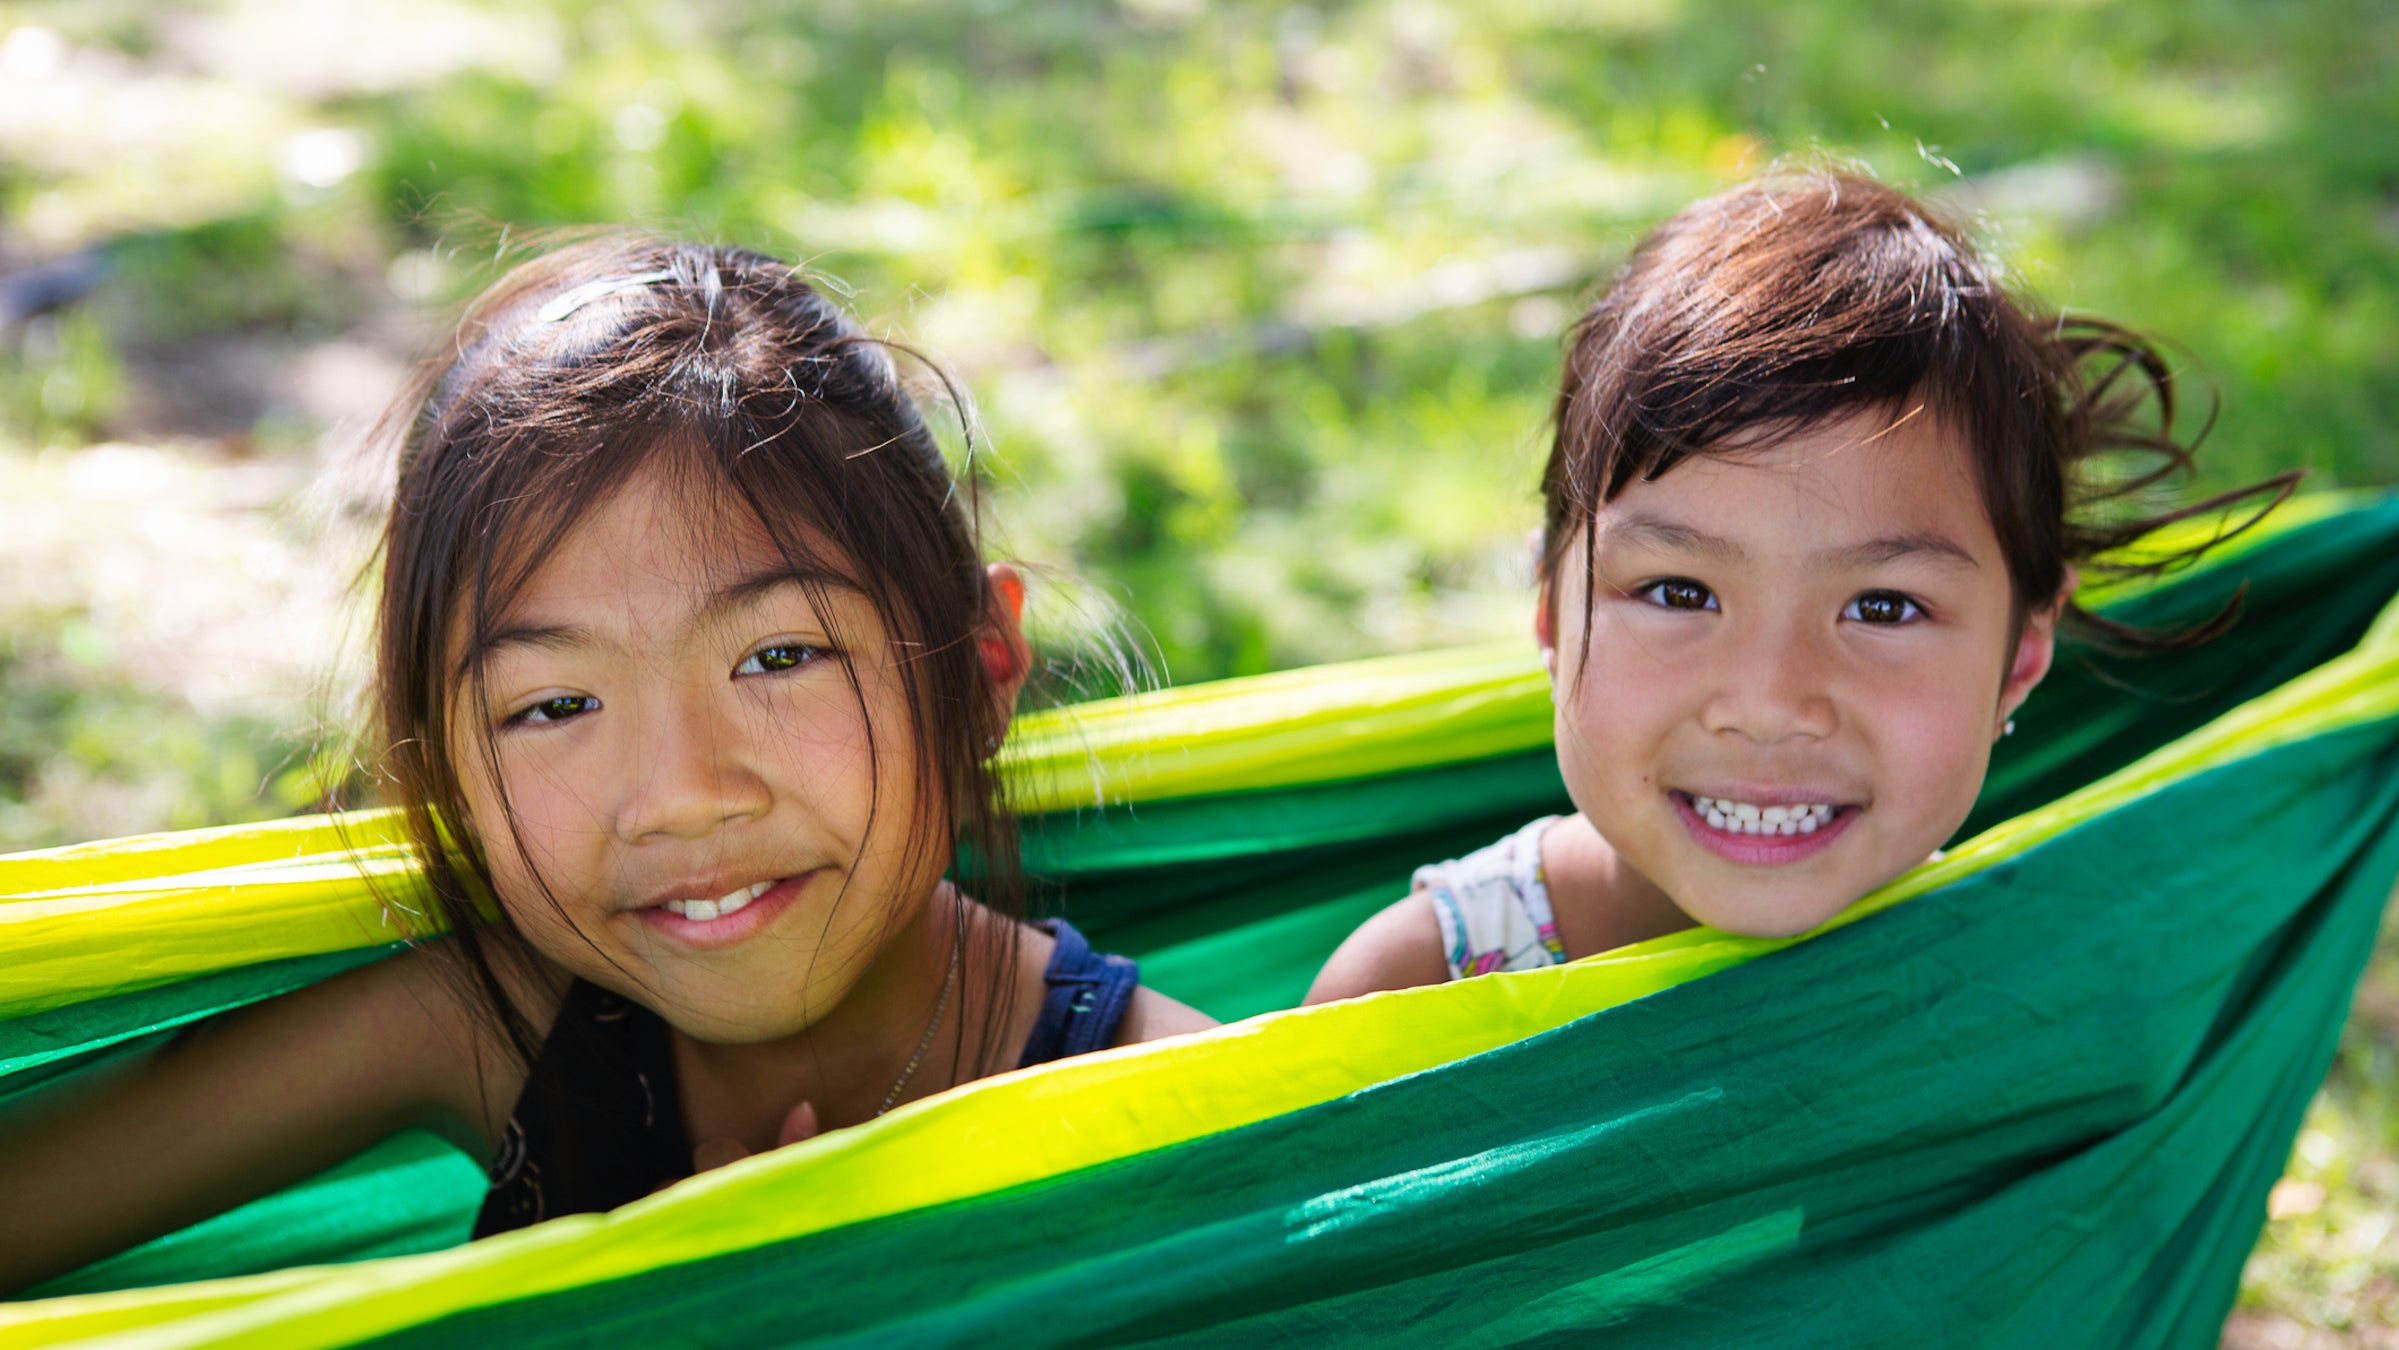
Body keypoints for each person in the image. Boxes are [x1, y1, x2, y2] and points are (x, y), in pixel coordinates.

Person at [0, 236, 1213, 1292]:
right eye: (556, 703)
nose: (681, 795)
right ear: (440, 768)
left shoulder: (1203, 1126)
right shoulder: (495, 1020)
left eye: (779, 654)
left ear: (982, 667)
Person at [1306, 169, 2294, 1002]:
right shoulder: (1420, 983)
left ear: (2019, 657)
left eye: (1881, 607)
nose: (1770, 703)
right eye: (1678, 593)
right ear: (1548, 614)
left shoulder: (2028, 1001)